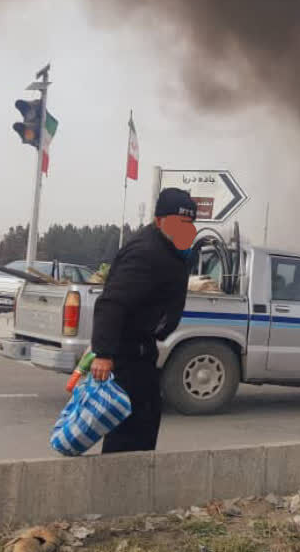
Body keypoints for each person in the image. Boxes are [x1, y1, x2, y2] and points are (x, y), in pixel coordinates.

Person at [90, 189, 197, 453]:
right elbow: (111, 303)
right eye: (177, 222)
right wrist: (103, 353)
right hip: (126, 356)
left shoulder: (168, 248)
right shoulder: (145, 252)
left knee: (145, 422)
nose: (184, 229)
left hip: (142, 351)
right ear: (159, 219)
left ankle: (132, 483)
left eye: (189, 223)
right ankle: (118, 486)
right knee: (128, 429)